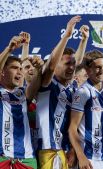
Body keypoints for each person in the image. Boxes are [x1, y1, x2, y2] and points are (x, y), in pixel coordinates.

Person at [35, 15, 89, 169]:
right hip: (48, 150)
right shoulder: (48, 84)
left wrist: (83, 40)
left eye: (73, 64)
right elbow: (51, 65)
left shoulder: (72, 88)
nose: (72, 67)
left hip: (65, 150)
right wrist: (67, 35)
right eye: (66, 64)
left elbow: (76, 61)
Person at [69, 50, 103, 169]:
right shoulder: (83, 92)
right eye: (98, 67)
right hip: (89, 157)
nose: (102, 71)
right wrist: (80, 155)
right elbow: (72, 128)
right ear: (88, 70)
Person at [0, 35, 43, 169]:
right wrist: (9, 49)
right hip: (3, 158)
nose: (19, 72)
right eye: (14, 68)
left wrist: (39, 69)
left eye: (20, 68)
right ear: (2, 72)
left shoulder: (23, 94)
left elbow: (36, 83)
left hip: (27, 160)